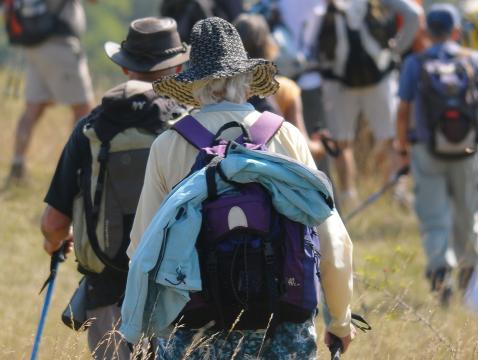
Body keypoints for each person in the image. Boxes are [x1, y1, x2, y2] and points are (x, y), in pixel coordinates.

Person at [123, 17, 355, 359]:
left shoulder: (169, 145)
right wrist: (339, 321)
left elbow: (143, 248)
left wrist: (137, 326)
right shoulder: (285, 136)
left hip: (194, 327)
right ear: (248, 80)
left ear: (194, 84)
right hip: (283, 325)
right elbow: (332, 239)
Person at [39, 17, 189, 359]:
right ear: (178, 68)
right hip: (179, 288)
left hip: (107, 290)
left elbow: (53, 224)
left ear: (125, 69)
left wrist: (55, 243)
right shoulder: (191, 125)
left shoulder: (90, 127)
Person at [396, 3, 478, 305]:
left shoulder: (414, 63)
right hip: (469, 151)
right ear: (457, 31)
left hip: (426, 149)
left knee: (434, 217)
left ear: (426, 32)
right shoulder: (475, 61)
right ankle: (469, 278)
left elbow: (403, 109)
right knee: (468, 213)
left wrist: (402, 149)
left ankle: (439, 274)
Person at [308, 0, 421, 209]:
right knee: (390, 139)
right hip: (380, 76)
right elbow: (414, 14)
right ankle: (396, 195)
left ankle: (348, 197)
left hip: (337, 79)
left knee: (342, 143)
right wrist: (396, 50)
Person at [3, 0, 97, 183]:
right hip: (61, 46)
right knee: (84, 110)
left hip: (34, 46)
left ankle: (17, 165)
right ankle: (76, 168)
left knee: (32, 110)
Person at [234, 13, 326, 160]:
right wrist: (320, 144)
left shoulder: (225, 91)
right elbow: (302, 146)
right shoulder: (286, 89)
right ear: (267, 45)